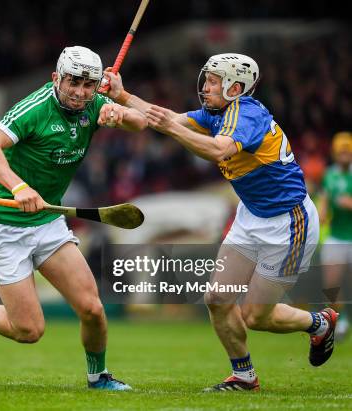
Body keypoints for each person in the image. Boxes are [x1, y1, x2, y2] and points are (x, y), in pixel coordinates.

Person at [102, 53, 338, 392]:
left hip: (287, 223)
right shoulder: (217, 113)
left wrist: (169, 128)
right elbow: (166, 118)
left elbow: (218, 151)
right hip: (251, 215)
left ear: (235, 87)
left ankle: (320, 323)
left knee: (257, 316)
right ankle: (243, 377)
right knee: (217, 297)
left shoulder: (248, 115)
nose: (205, 86)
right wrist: (121, 96)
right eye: (207, 79)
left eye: (214, 81)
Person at [0, 46, 147, 391]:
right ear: (56, 78)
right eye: (73, 83)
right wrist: (19, 187)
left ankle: (98, 377)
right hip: (3, 224)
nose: (81, 92)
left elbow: (141, 122)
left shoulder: (95, 102)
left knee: (93, 308)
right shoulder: (35, 108)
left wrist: (120, 104)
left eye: (88, 85)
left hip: (48, 221)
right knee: (29, 331)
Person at [319, 131, 352, 340]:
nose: (344, 155)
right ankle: (340, 319)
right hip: (335, 237)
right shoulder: (328, 175)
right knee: (331, 284)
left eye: (347, 151)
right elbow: (324, 202)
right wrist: (322, 212)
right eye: (341, 151)